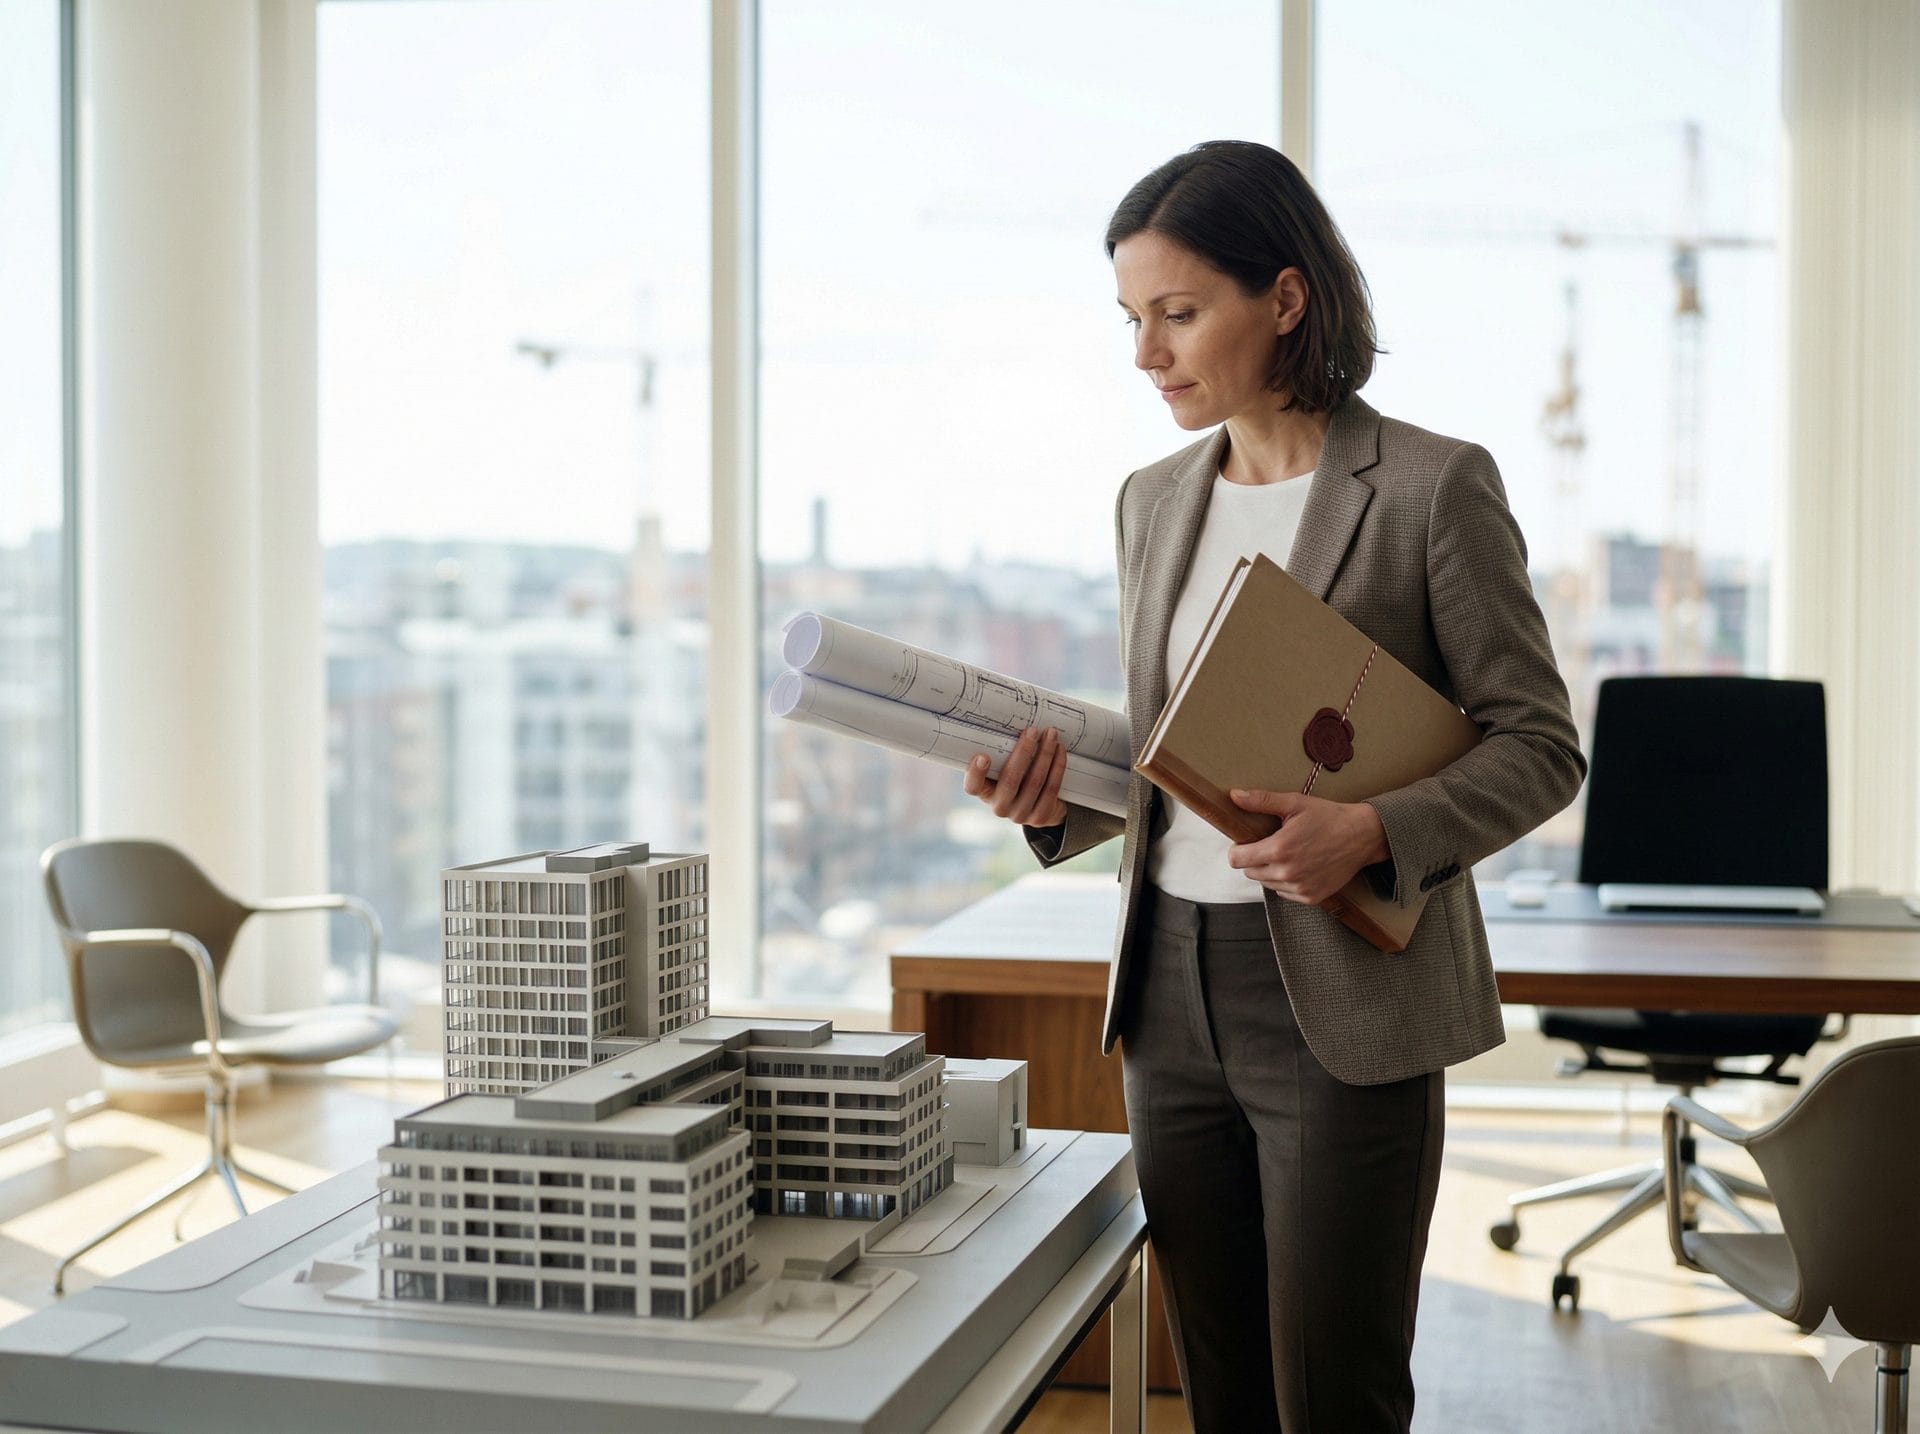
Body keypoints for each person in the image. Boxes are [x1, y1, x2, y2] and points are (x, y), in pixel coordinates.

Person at [961, 140, 1586, 1433]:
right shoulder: (1151, 500)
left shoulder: (1430, 486)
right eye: (1133, 319)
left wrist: (1374, 827)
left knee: (1334, 1391)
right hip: (1167, 989)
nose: (1149, 353)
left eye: (1179, 314)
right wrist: (1053, 798)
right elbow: (1179, 745)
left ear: (1285, 298)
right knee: (1223, 1382)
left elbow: (1539, 742)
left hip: (1342, 990)